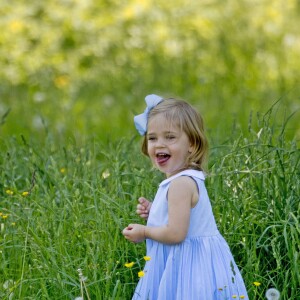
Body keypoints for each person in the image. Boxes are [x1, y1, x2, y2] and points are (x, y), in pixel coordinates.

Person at [122, 94, 248, 299]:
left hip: (187, 267)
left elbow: (176, 234)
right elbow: (181, 219)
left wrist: (144, 231)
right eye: (152, 138)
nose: (159, 144)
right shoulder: (183, 180)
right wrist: (156, 212)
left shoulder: (180, 184)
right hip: (191, 263)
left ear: (192, 144)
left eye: (170, 137)